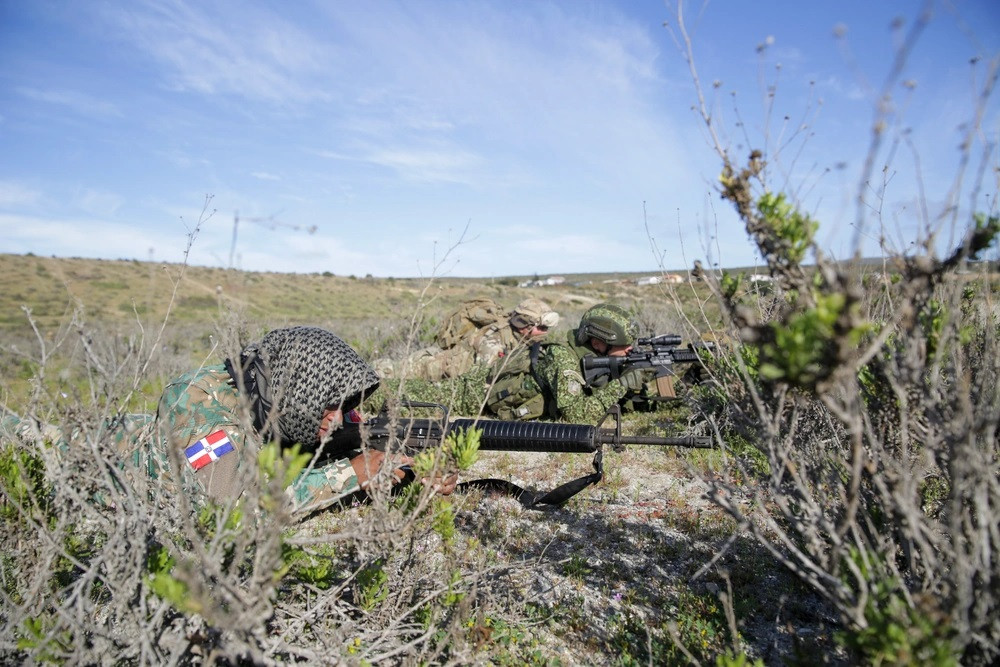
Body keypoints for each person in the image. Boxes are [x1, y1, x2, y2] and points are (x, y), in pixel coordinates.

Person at [157, 326, 456, 517]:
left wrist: (414, 471)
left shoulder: (298, 406)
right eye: (330, 405)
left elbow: (360, 457)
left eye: (343, 405)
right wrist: (348, 474)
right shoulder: (199, 402)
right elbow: (229, 514)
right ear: (298, 391)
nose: (338, 418)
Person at [377, 303, 642, 424]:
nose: (630, 350)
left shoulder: (587, 355)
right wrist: (624, 383)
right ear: (599, 343)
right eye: (625, 346)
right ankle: (357, 388)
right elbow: (577, 416)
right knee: (394, 395)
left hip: (488, 385)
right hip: (475, 393)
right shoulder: (564, 358)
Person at [375, 297, 559, 381]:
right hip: (432, 366)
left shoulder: (523, 339)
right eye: (541, 328)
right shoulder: (494, 342)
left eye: (546, 328)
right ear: (524, 326)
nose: (544, 332)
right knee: (385, 372)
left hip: (447, 364)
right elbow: (483, 380)